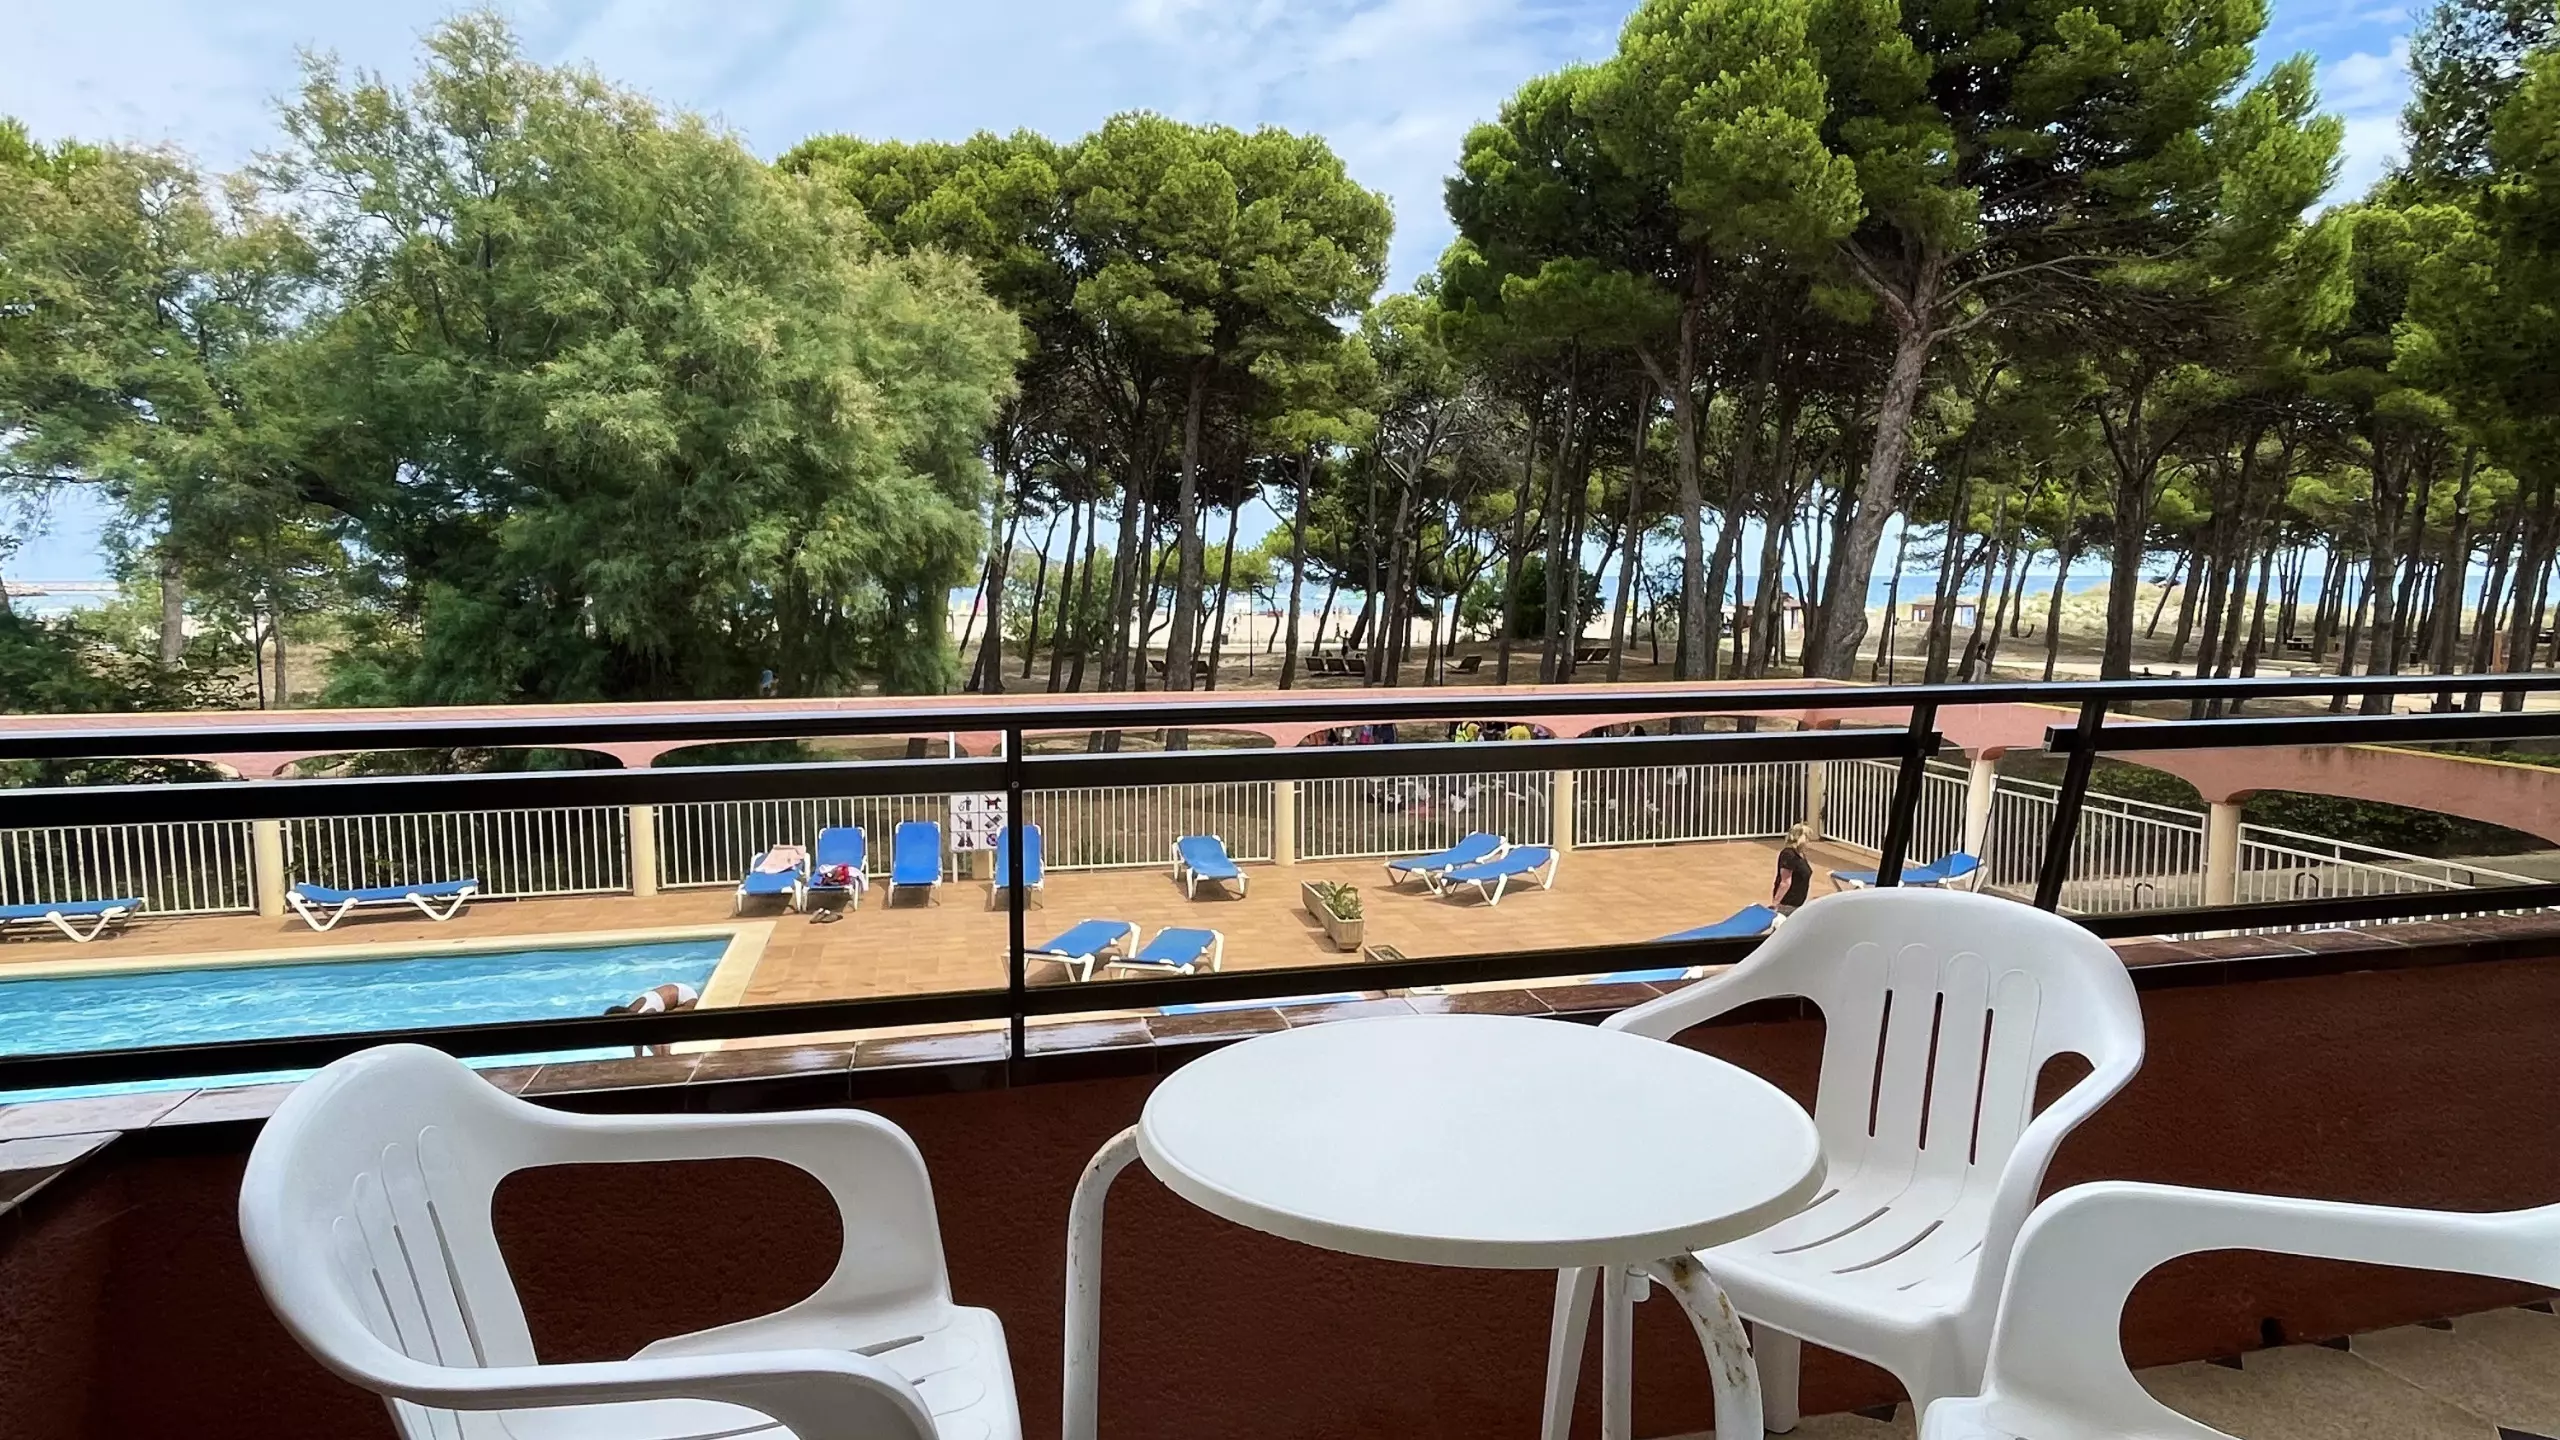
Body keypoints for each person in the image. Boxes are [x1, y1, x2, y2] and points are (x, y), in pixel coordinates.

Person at [606, 981, 701, 1057]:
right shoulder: (629, 1011)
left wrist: (658, 1057)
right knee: (642, 1033)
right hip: (674, 988)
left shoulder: (645, 1014)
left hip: (687, 998)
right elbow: (635, 1038)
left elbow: (661, 1036)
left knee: (659, 1034)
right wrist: (638, 1058)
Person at [1771, 822, 1815, 916]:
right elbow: (1785, 882)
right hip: (1787, 904)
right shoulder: (1789, 855)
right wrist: (1775, 904)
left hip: (1797, 904)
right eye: (1807, 838)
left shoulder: (1800, 854)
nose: (1808, 842)